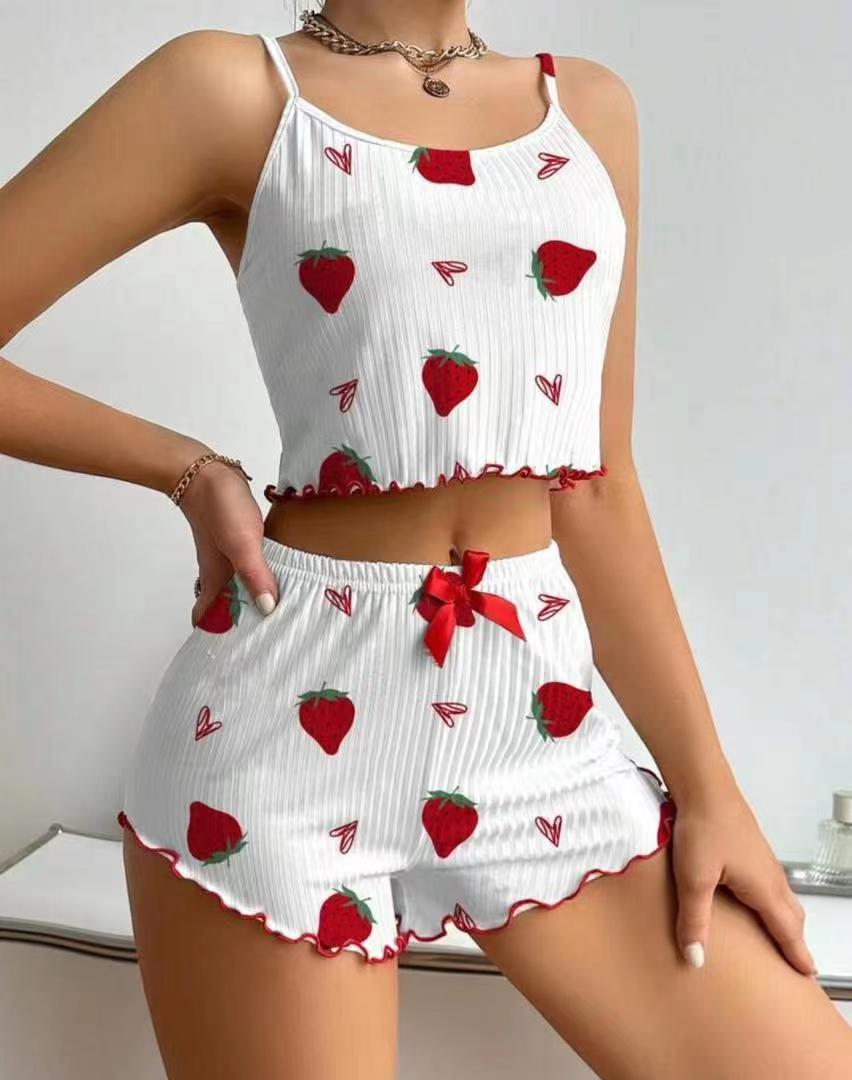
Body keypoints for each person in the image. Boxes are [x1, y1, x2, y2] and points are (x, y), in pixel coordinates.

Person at [2, 4, 850, 1078]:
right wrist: (187, 468)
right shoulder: (230, 91)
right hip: (278, 734)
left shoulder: (587, 110)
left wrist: (710, 787)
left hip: (534, 709)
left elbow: (596, 485)